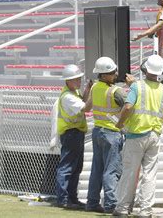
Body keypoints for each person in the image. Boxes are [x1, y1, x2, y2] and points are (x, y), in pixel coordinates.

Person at [113, 54, 163, 217]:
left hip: (136, 134)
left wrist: (120, 123)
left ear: (145, 69)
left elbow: (127, 107)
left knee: (130, 172)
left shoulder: (137, 86)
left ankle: (123, 208)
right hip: (154, 135)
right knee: (150, 174)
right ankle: (145, 210)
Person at [86, 57, 125, 214]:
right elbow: (130, 106)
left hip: (98, 132)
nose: (116, 74)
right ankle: (111, 204)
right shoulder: (116, 91)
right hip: (111, 134)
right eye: (112, 72)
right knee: (111, 170)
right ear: (103, 75)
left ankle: (92, 202)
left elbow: (87, 106)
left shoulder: (95, 87)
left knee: (97, 168)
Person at [55, 64, 92, 210]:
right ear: (67, 81)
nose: (79, 82)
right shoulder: (68, 97)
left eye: (79, 79)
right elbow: (86, 108)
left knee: (75, 167)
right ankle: (63, 199)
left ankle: (71, 198)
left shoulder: (73, 93)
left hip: (75, 133)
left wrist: (88, 90)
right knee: (67, 167)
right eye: (75, 79)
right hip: (71, 133)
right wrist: (97, 93)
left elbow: (83, 100)